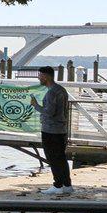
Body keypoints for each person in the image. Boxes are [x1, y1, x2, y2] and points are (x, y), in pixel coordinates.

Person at [36, 65, 72, 196]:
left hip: (51, 130)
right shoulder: (61, 90)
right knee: (61, 158)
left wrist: (36, 106)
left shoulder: (51, 92)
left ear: (46, 76)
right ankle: (67, 185)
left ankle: (57, 185)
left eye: (40, 76)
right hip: (61, 130)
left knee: (53, 158)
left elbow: (49, 112)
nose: (39, 78)